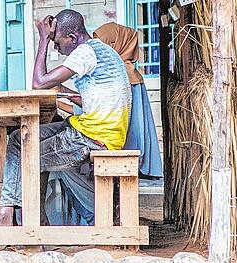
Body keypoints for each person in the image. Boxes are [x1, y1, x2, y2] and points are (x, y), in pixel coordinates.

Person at [0, 9, 132, 226]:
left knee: (24, 157)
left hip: (91, 138)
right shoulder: (104, 52)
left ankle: (18, 220)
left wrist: (43, 40)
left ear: (72, 38)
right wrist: (62, 89)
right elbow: (94, 101)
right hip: (89, 129)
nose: (57, 48)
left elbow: (38, 83)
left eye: (57, 43)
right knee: (19, 139)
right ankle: (11, 215)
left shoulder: (84, 52)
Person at [46, 22, 163, 225]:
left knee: (53, 157)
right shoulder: (122, 70)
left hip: (104, 138)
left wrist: (61, 97)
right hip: (105, 135)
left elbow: (89, 110)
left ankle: (97, 215)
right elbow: (91, 104)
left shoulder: (121, 74)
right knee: (61, 156)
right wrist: (66, 93)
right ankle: (97, 214)